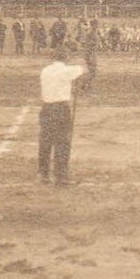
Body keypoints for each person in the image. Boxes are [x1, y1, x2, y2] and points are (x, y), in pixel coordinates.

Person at [38, 45, 89, 185]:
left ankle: (43, 174)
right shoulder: (66, 70)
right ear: (65, 58)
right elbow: (83, 70)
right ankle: (61, 176)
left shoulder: (45, 70)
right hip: (60, 109)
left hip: (46, 108)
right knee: (62, 142)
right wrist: (81, 59)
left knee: (45, 142)